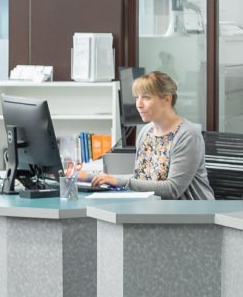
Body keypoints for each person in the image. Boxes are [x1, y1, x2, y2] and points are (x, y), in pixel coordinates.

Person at [71, 71, 214, 200]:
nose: (138, 104)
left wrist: (120, 181)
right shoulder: (147, 131)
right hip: (156, 211)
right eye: (136, 97)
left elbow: (172, 189)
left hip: (192, 217)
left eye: (146, 97)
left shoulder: (187, 135)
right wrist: (90, 178)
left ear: (167, 99)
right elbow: (141, 178)